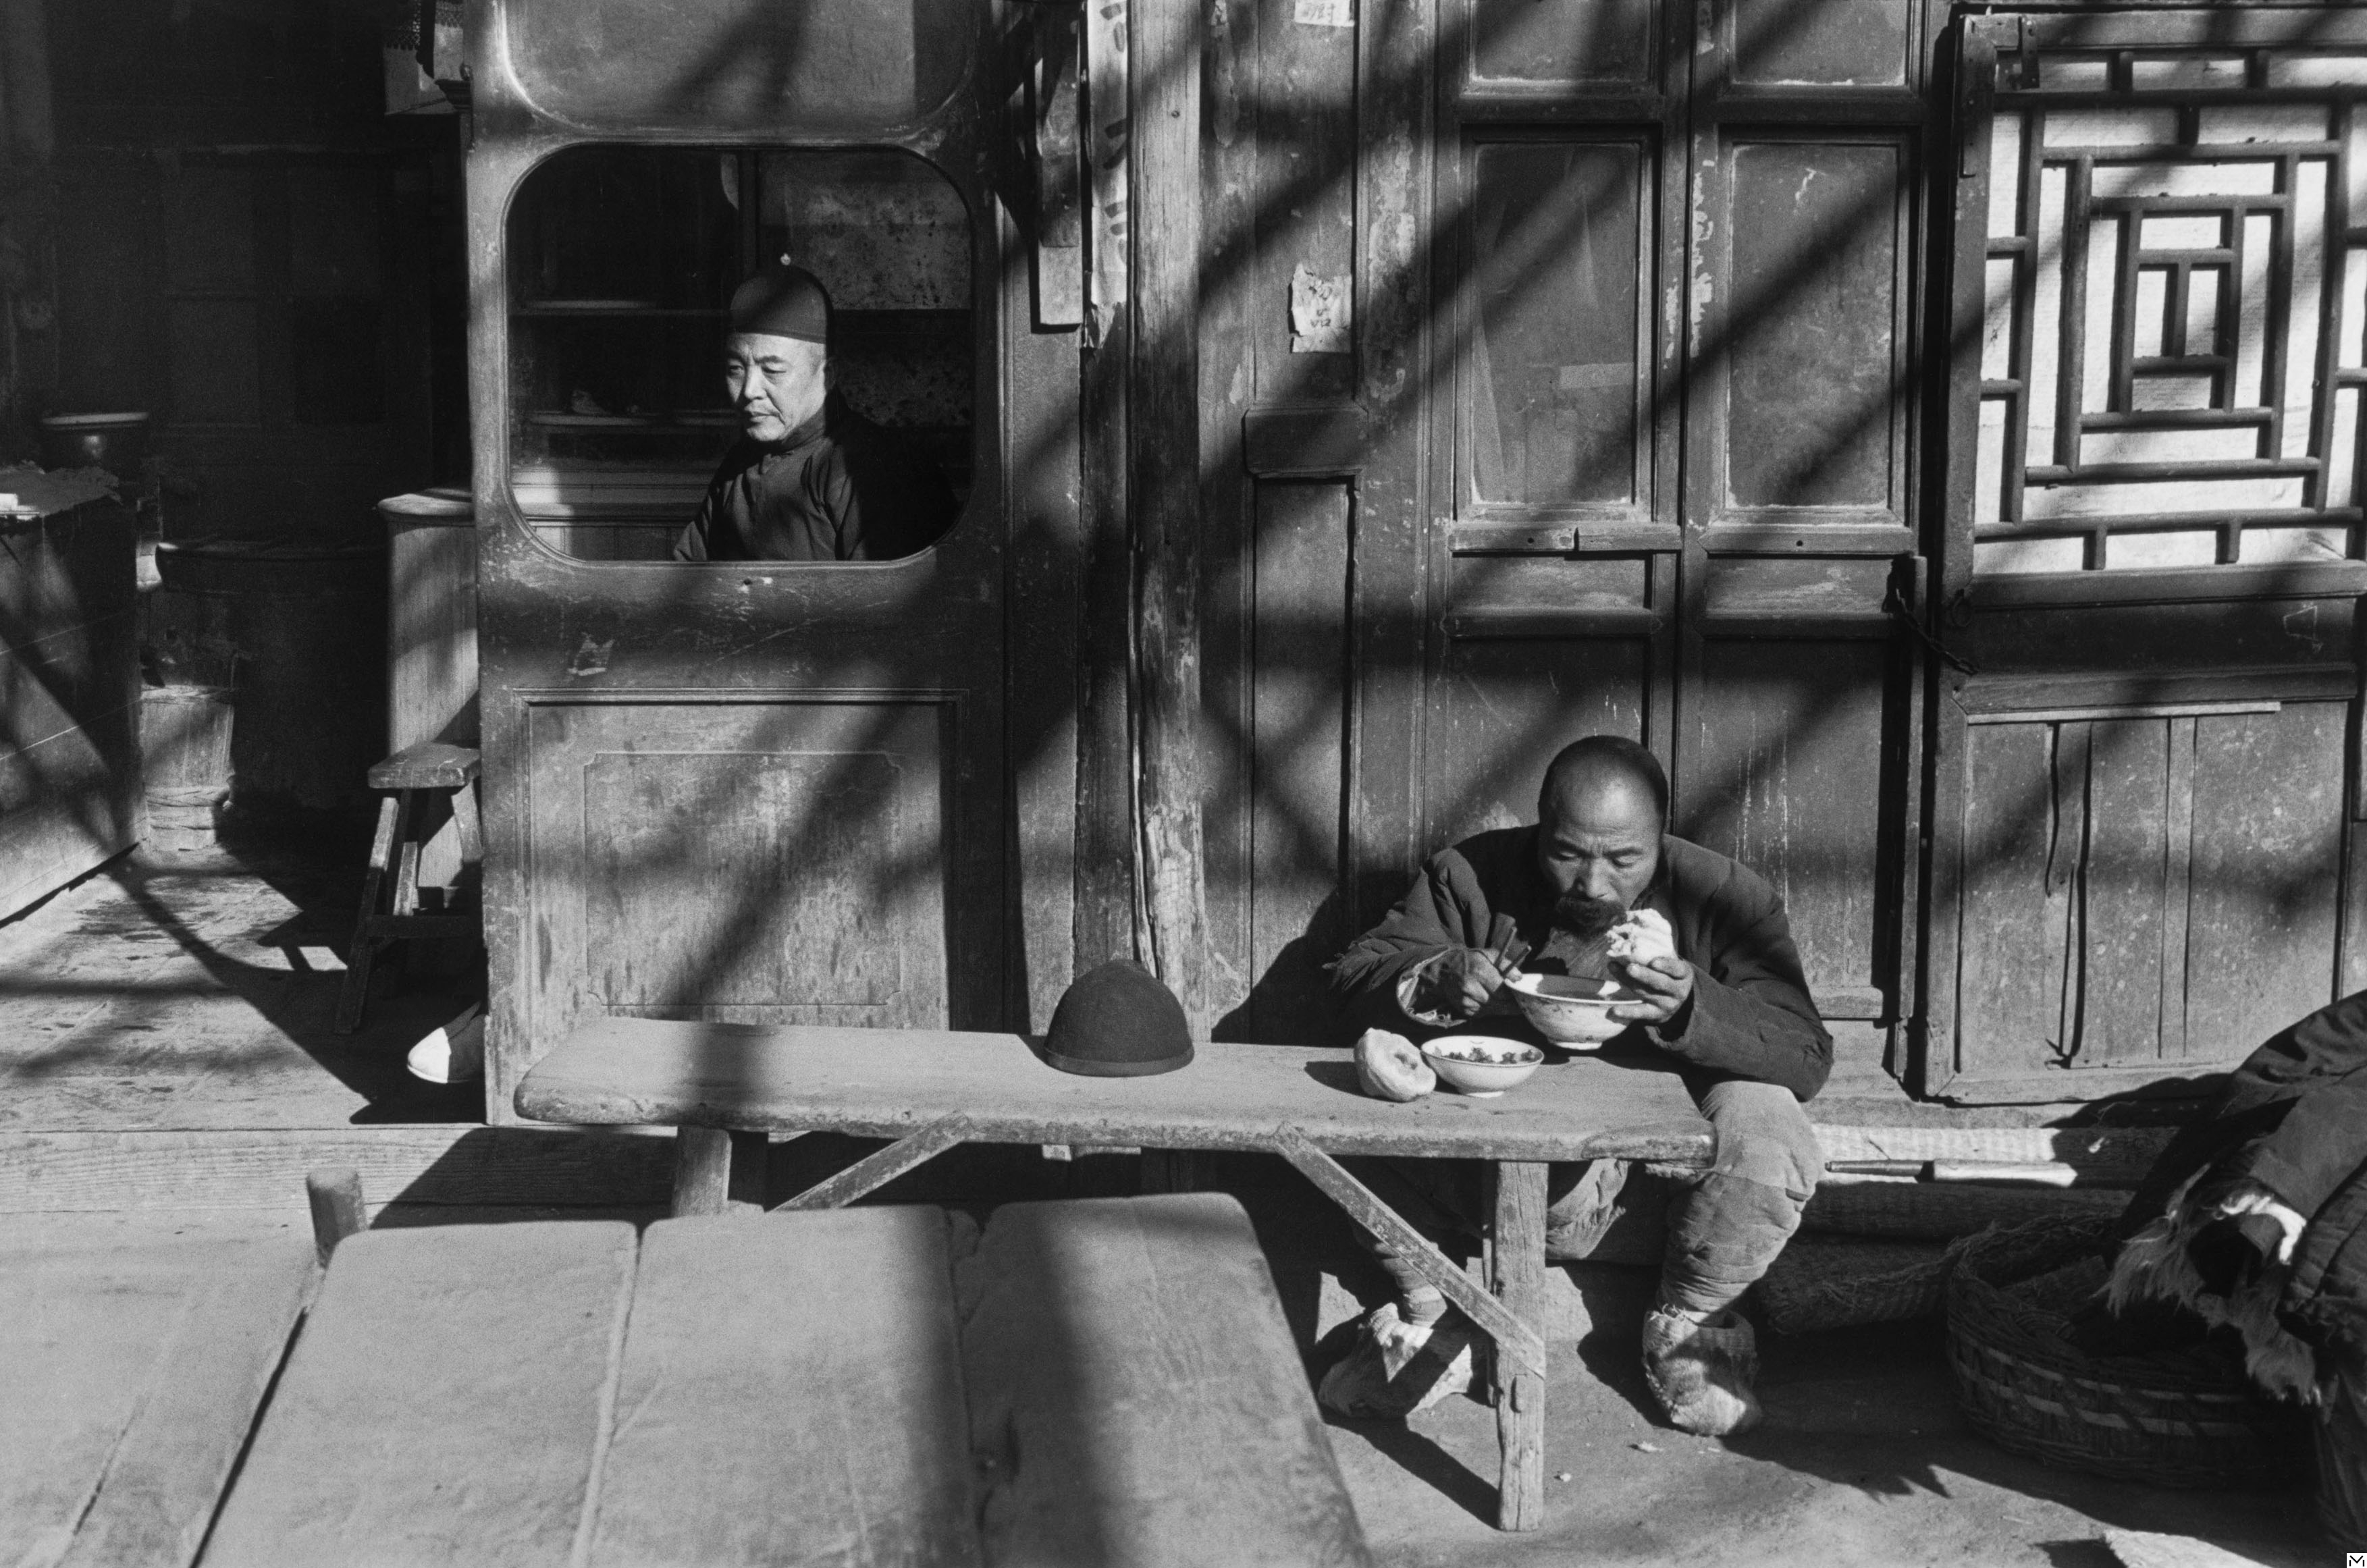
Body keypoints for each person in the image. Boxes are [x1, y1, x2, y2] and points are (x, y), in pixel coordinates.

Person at [1325, 734, 1830, 1435]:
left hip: (1650, 1200)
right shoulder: (1470, 875)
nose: (1592, 885)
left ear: (1660, 838)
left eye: (1623, 860)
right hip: (1485, 1174)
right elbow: (1354, 978)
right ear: (1539, 828)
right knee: (1344, 1089)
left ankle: (1687, 1328)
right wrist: (1432, 976)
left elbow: (1804, 1052)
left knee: (1768, 1119)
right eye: (1566, 854)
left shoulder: (1723, 896)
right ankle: (1433, 1315)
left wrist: (1692, 1006)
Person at [673, 264, 959, 563]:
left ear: (827, 374)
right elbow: (687, 576)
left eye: (773, 370)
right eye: (736, 369)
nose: (748, 390)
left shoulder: (875, 469)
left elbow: (884, 602)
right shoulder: (739, 462)